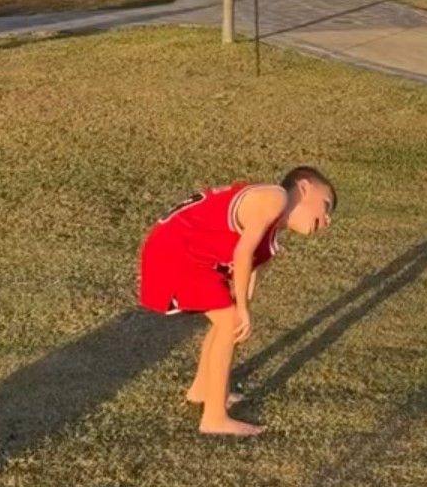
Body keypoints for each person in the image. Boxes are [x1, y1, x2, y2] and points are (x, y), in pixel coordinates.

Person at [138, 166, 336, 437]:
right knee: (229, 321)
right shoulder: (274, 198)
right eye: (326, 205)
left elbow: (253, 267)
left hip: (191, 256)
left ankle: (202, 391)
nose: (327, 219)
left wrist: (244, 307)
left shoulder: (273, 229)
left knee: (228, 323)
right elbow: (242, 254)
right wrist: (240, 309)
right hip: (176, 253)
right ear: (303, 187)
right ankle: (214, 418)